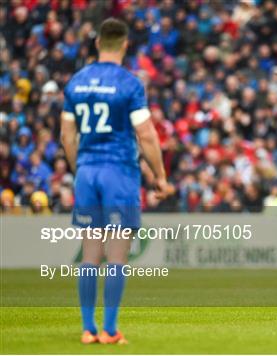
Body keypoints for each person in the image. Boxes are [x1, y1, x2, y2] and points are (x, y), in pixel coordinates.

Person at [61, 18, 169, 344]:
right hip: (119, 172)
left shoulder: (76, 83)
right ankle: (109, 329)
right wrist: (160, 176)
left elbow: (67, 137)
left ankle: (87, 328)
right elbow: (147, 135)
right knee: (118, 255)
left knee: (90, 254)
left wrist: (79, 169)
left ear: (97, 43)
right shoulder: (130, 84)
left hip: (87, 171)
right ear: (125, 45)